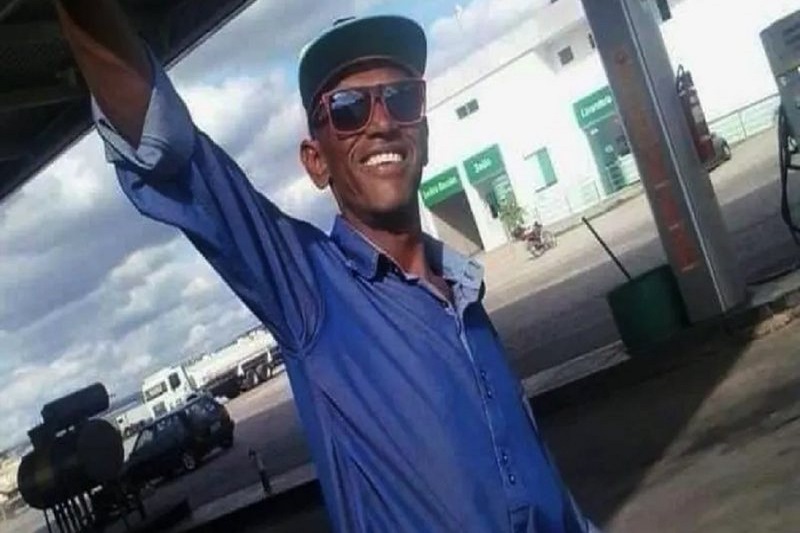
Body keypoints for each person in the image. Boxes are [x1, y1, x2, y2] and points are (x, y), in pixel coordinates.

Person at [54, 2, 597, 532]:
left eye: (402, 98)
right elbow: (169, 149)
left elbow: (541, 482)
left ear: (424, 137)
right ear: (316, 162)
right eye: (348, 109)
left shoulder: (466, 296)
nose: (381, 122)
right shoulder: (309, 292)